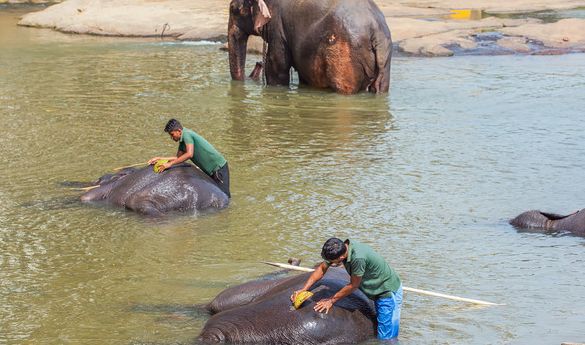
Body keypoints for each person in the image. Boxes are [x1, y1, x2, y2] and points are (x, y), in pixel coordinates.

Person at [291, 238, 403, 340]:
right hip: (372, 285)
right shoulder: (340, 248)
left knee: (387, 336)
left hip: (385, 291)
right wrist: (304, 289)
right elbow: (322, 268)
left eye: (332, 261)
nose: (330, 263)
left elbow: (354, 285)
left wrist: (331, 300)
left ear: (341, 258)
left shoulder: (358, 258)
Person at [148, 119, 231, 198]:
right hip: (211, 171)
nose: (172, 137)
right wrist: (160, 159)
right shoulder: (182, 142)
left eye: (172, 134)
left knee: (224, 196)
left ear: (179, 131)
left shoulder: (187, 134)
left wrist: (169, 164)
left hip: (218, 168)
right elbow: (178, 158)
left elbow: (189, 154)